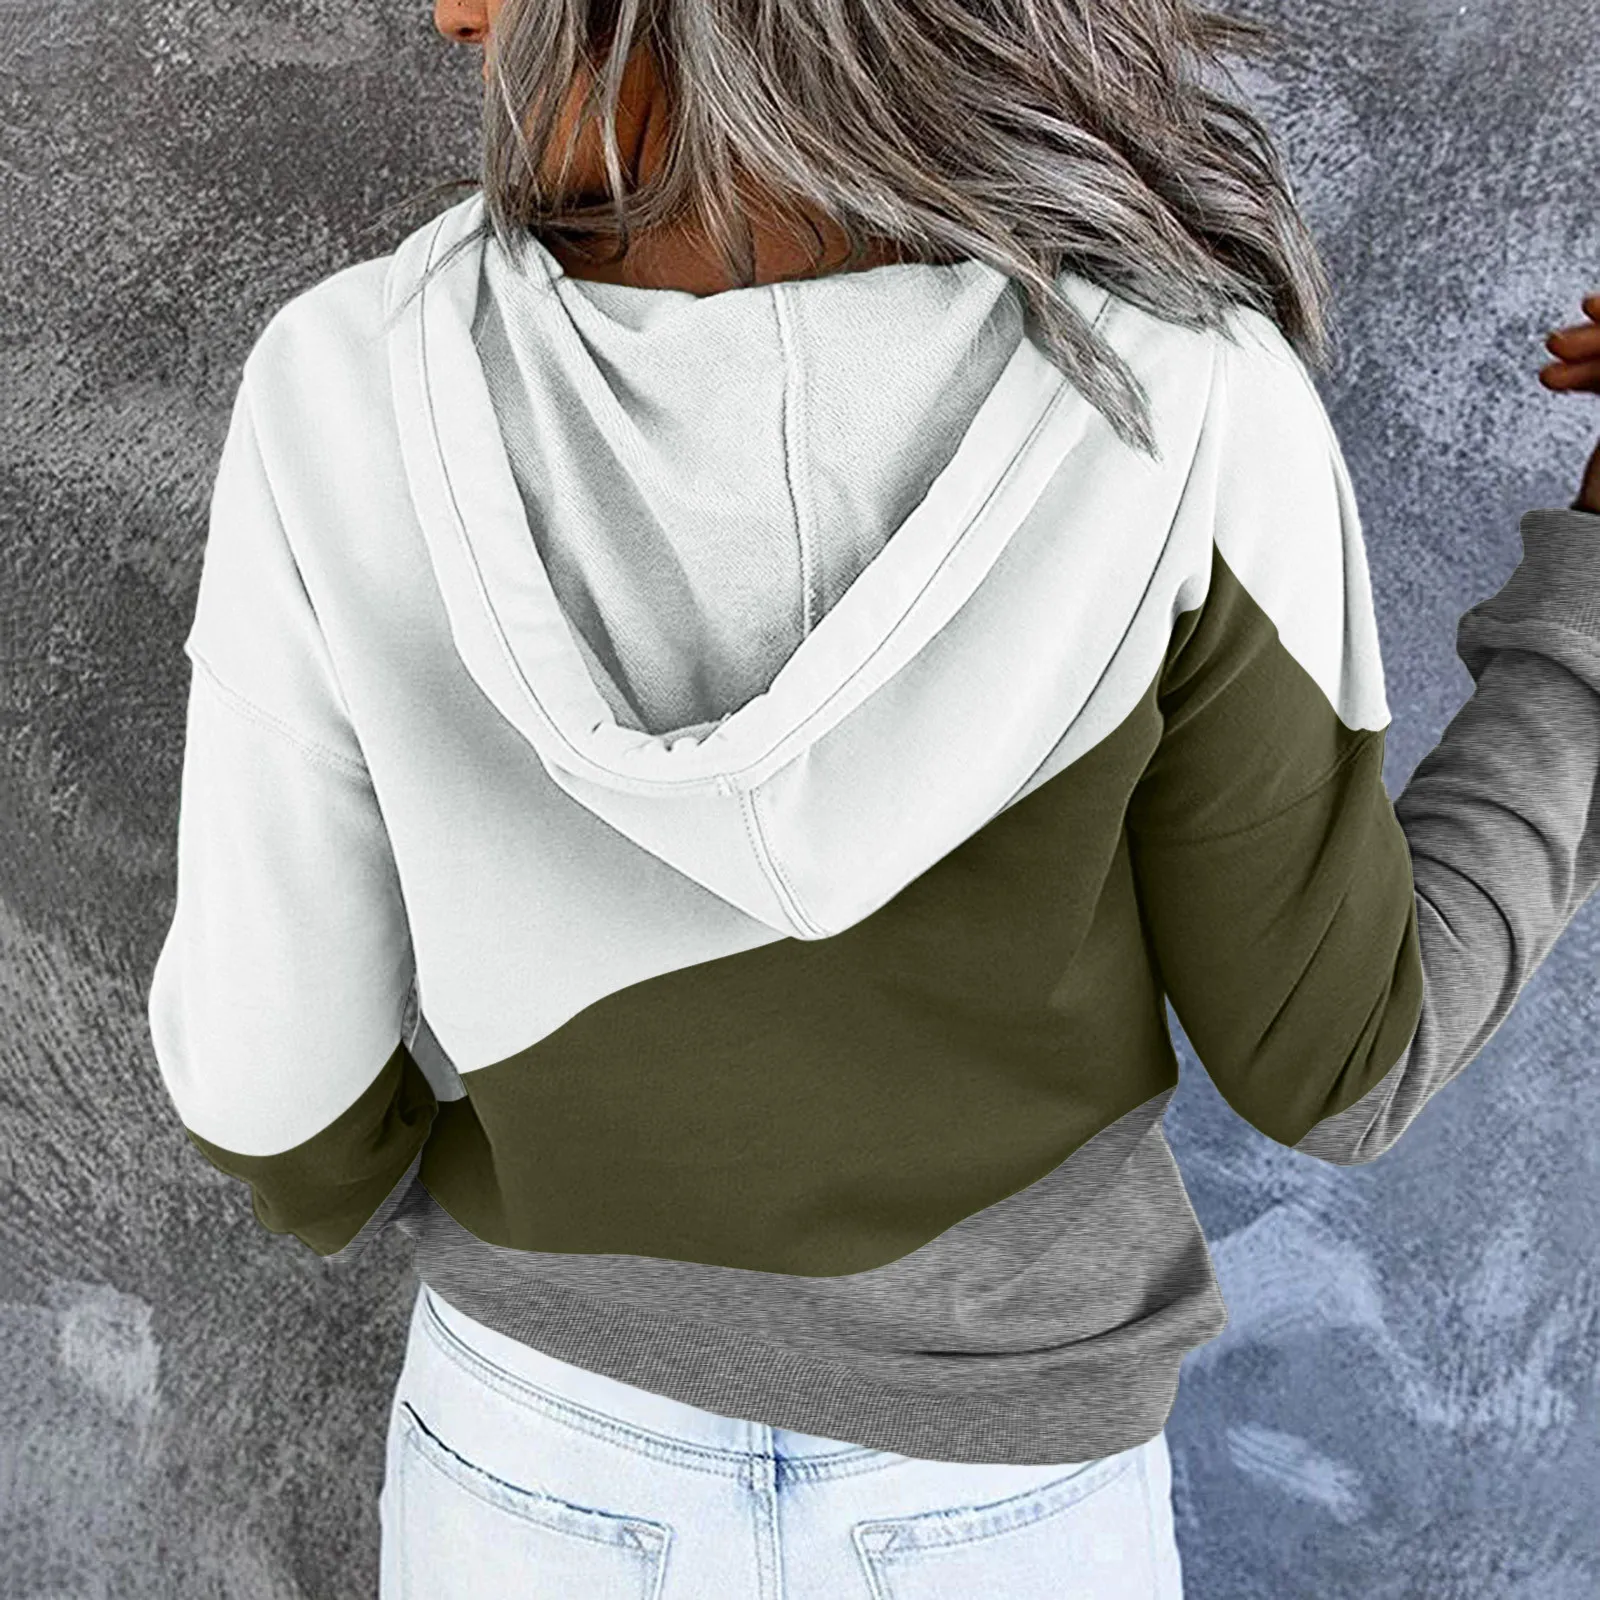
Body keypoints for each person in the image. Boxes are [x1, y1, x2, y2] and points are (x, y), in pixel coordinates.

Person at [143, 0, 1600, 1594]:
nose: (449, 13)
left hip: (537, 1465)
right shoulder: (1182, 395)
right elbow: (1340, 1061)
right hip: (1008, 1487)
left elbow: (275, 1099)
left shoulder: (348, 381)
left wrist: (424, 1183)